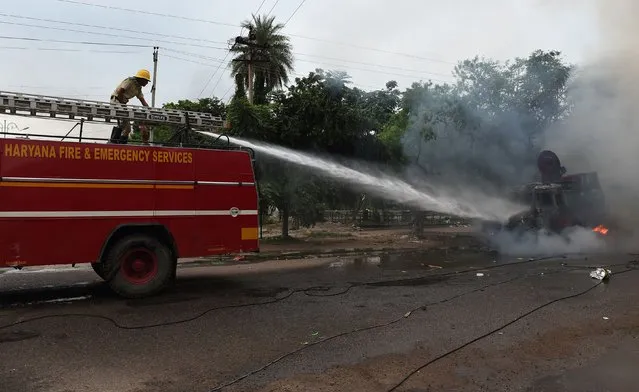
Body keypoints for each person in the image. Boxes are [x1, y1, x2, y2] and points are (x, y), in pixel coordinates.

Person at [110, 69, 152, 144]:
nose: (146, 83)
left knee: (128, 129)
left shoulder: (138, 88)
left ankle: (120, 145)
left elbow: (142, 100)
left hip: (122, 103)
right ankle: (113, 143)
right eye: (146, 81)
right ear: (141, 79)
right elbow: (120, 91)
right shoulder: (130, 81)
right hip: (116, 100)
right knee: (123, 124)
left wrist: (150, 110)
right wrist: (122, 103)